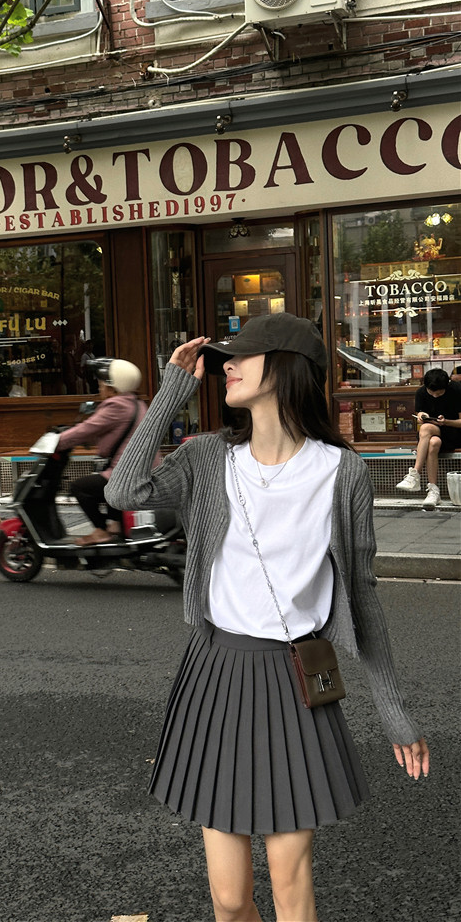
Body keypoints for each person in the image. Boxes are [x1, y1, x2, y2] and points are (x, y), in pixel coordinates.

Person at [106, 313, 429, 922]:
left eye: (242, 355)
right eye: (225, 357)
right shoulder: (208, 457)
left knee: (289, 883)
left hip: (296, 680)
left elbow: (363, 599)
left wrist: (394, 713)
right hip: (217, 672)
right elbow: (124, 493)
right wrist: (171, 392)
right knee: (230, 901)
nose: (227, 365)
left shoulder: (342, 473)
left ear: (284, 367)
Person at [57, 358, 151, 546]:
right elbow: (110, 433)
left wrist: (55, 441)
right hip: (141, 471)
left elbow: (86, 429)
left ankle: (101, 530)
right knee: (105, 475)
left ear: (112, 386)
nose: (100, 388)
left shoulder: (116, 406)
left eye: (102, 384)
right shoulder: (137, 403)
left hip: (128, 475)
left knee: (80, 488)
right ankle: (115, 525)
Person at [396, 367, 461, 509]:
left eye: (439, 393)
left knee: (425, 429)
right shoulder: (421, 392)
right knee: (433, 442)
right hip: (431, 435)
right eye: (431, 393)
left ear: (447, 386)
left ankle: (415, 475)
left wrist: (446, 422)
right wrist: (421, 416)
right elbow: (420, 414)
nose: (435, 396)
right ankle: (433, 491)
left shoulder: (456, 390)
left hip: (453, 433)